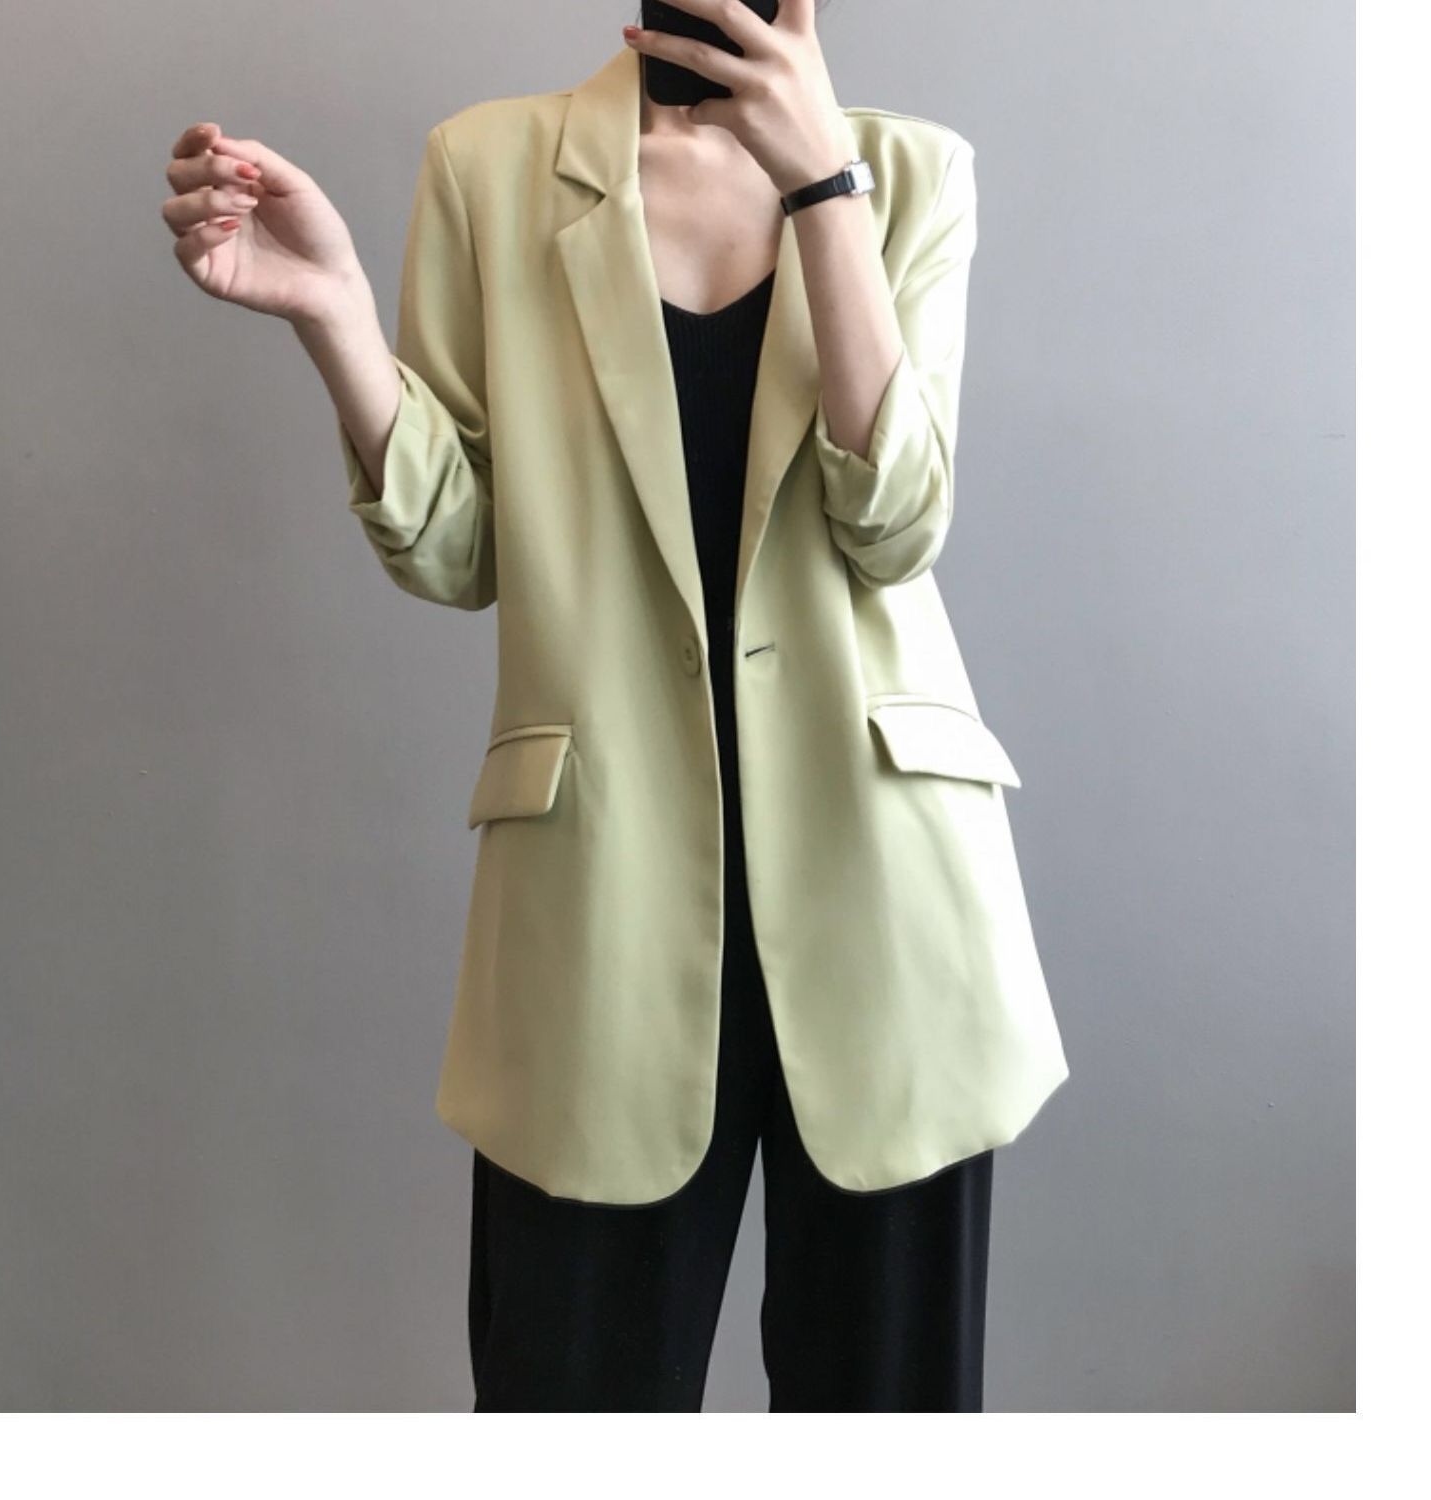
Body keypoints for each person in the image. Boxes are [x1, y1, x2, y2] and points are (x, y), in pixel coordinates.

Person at [159, 0, 1070, 1412]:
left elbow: (895, 524)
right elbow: (458, 548)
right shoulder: (489, 167)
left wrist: (822, 184)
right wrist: (338, 315)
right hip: (600, 907)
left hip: (885, 903)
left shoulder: (911, 170)